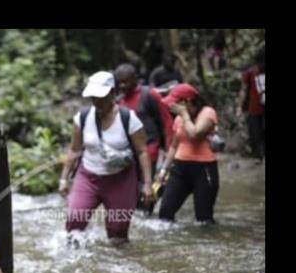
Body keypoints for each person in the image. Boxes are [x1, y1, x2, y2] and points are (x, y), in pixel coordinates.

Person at [59, 71, 153, 245]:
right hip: (88, 176)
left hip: (121, 180)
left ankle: (116, 265)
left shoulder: (128, 118)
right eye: (93, 97)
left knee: (118, 231)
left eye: (101, 97)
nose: (97, 101)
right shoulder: (82, 118)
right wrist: (64, 179)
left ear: (112, 93)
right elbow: (74, 150)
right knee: (74, 220)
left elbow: (142, 151)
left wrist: (147, 184)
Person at [157, 83, 220, 224]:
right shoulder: (179, 119)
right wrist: (163, 170)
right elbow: (174, 146)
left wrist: (184, 114)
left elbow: (195, 134)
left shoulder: (207, 113)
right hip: (180, 169)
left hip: (204, 170)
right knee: (165, 212)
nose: (172, 106)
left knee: (204, 219)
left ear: (187, 101)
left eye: (176, 102)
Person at [115, 63, 175, 177]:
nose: (122, 86)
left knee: (147, 188)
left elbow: (167, 122)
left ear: (134, 79)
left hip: (150, 151)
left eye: (125, 81)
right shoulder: (119, 101)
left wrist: (168, 151)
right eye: (119, 82)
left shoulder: (149, 95)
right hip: (127, 155)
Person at [239, 46, 265, 161]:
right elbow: (244, 90)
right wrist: (240, 106)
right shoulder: (250, 73)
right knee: (255, 133)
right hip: (255, 108)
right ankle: (258, 155)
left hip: (257, 108)